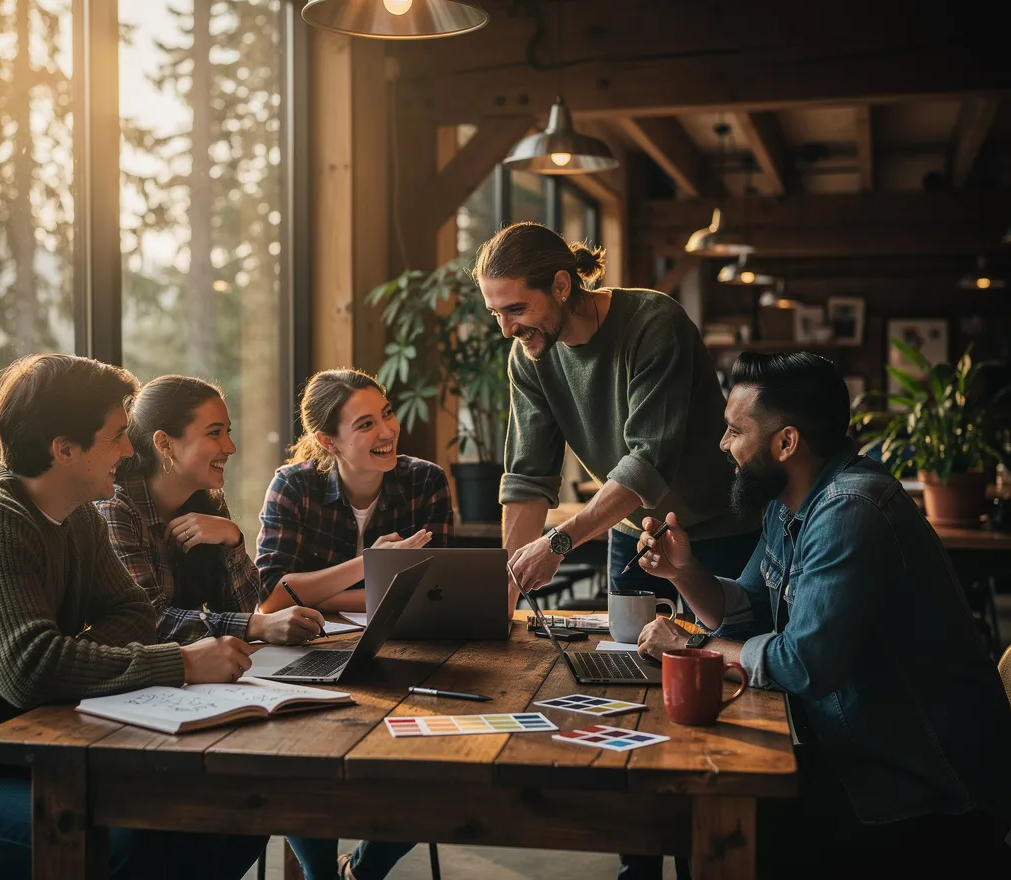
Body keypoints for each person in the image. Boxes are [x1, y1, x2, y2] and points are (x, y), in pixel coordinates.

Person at [0, 355, 266, 879]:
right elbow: (31, 669)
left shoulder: (77, 518)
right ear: (64, 449)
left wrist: (71, 659)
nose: (130, 450)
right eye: (116, 436)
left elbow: (131, 611)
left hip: (7, 755)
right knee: (127, 845)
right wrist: (178, 663)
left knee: (230, 808)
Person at [634, 351, 1011, 877]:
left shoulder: (851, 508)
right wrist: (682, 572)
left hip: (925, 793)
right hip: (857, 758)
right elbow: (749, 608)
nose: (723, 445)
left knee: (714, 824)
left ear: (786, 442)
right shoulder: (788, 503)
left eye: (733, 431)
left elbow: (805, 664)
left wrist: (690, 649)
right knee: (690, 815)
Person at [476, 222, 759, 879]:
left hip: (722, 530)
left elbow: (647, 461)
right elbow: (526, 477)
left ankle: (711, 847)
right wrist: (508, 583)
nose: (508, 328)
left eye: (516, 309)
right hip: (633, 536)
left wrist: (559, 539)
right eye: (496, 313)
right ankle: (640, 859)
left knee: (716, 691)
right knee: (629, 685)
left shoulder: (652, 322)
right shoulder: (530, 357)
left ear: (562, 284)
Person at [256, 367, 452, 880]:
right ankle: (323, 875)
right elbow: (272, 596)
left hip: (405, 649)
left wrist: (318, 586)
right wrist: (372, 565)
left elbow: (435, 587)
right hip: (305, 649)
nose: (387, 431)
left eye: (386, 414)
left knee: (446, 765)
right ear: (328, 440)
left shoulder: (425, 479)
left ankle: (361, 872)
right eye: (365, 424)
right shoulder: (293, 484)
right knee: (298, 758)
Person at [97, 374, 324, 646]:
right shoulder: (115, 508)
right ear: (165, 444)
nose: (230, 447)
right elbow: (149, 622)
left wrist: (232, 539)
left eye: (227, 432)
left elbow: (240, 610)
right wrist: (257, 625)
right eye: (214, 433)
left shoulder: (207, 502)